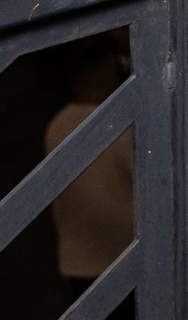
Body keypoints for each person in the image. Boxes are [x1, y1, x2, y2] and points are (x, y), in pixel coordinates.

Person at [45, 39, 134, 298]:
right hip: (120, 257)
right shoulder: (116, 124)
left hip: (76, 260)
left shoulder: (56, 126)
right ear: (105, 77)